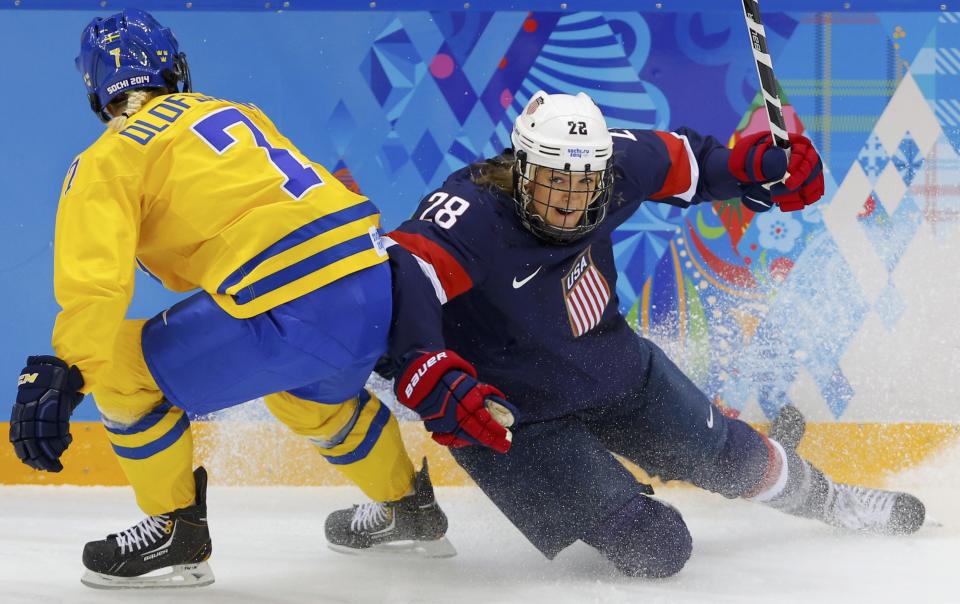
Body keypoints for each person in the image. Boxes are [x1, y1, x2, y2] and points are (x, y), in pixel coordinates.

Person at [325, 90, 926, 577]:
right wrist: (424, 368)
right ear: (520, 166)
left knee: (736, 459)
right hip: (509, 419)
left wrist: (757, 168)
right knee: (659, 548)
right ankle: (404, 506)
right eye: (553, 181)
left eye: (583, 181)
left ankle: (830, 499)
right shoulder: (474, 209)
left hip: (608, 368)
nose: (569, 200)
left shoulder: (616, 167)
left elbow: (696, 163)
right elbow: (407, 273)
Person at [8, 8, 507, 589]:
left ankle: (175, 532)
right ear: (174, 67)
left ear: (97, 91)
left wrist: (65, 368)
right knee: (303, 396)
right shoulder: (234, 111)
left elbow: (95, 285)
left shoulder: (107, 158)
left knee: (118, 368)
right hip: (372, 280)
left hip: (293, 301)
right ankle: (409, 508)